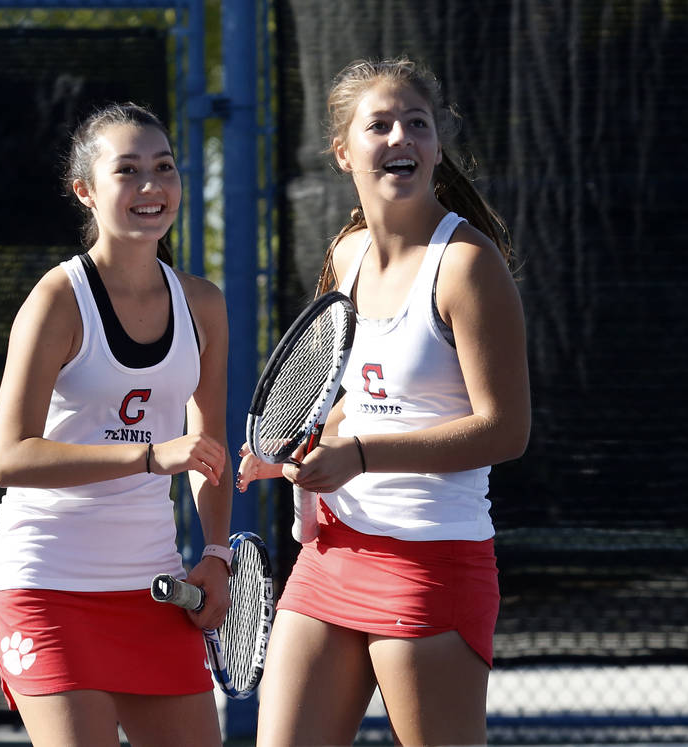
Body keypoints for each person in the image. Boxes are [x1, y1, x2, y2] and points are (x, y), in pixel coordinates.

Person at [237, 57, 531, 746]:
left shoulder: (468, 265)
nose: (401, 137)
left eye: (417, 124)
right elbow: (346, 404)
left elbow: (505, 428)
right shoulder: (346, 256)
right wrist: (289, 454)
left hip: (430, 564)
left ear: (434, 148)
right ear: (343, 152)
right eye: (380, 125)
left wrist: (361, 455)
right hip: (330, 557)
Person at [0, 102, 233, 747]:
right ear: (87, 192)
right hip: (45, 585)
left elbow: (208, 451)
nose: (152, 187)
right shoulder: (57, 299)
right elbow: (8, 458)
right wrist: (149, 456)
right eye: (128, 171)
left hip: (151, 588)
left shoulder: (202, 303)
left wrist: (213, 551)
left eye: (164, 167)